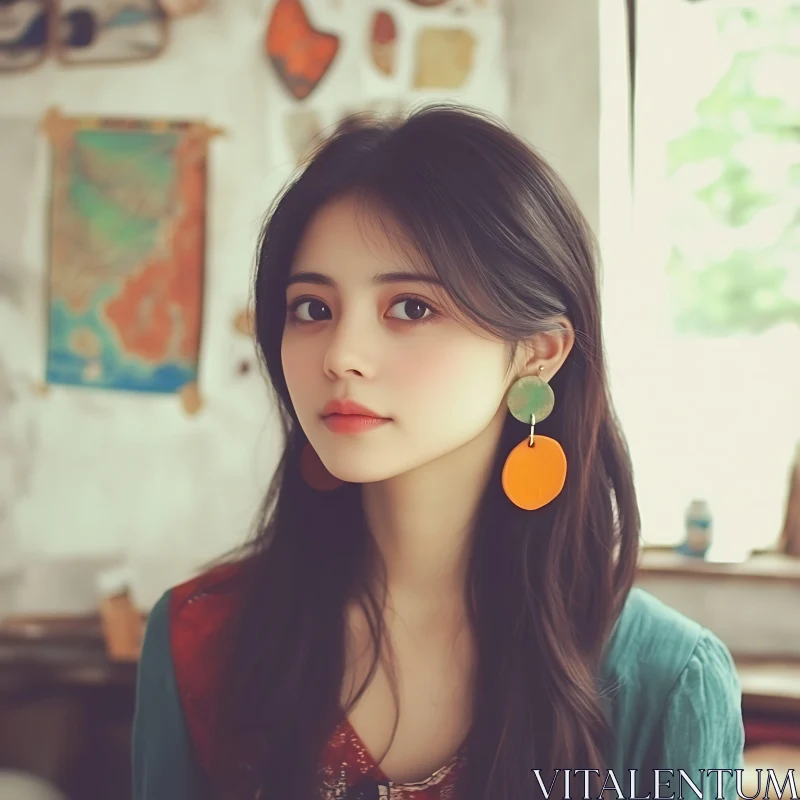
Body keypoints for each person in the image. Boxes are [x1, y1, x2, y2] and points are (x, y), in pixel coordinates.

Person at [132, 105, 745, 800]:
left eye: (412, 308)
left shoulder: (666, 678)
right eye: (313, 308)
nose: (341, 355)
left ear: (536, 354)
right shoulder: (200, 639)